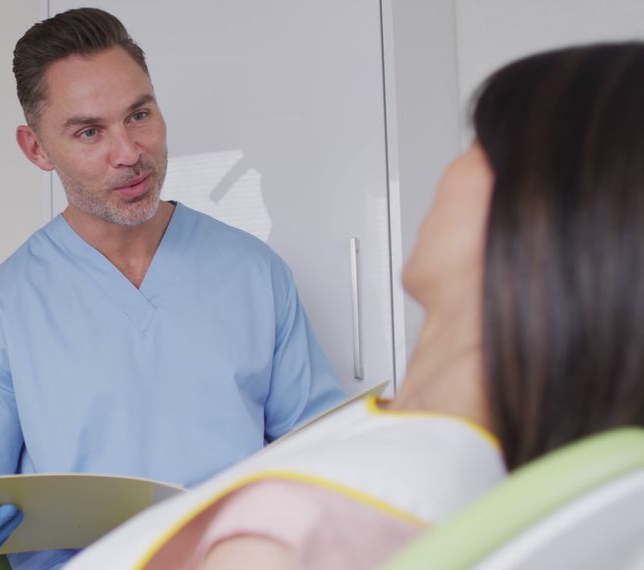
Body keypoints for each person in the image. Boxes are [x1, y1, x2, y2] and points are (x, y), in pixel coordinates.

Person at [67, 41, 644, 570]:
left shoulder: (302, 522)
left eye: (478, 147)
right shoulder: (437, 461)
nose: (450, 167)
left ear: (536, 218)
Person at [0, 7, 346, 569]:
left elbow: (325, 451)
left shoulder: (254, 272)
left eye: (139, 115)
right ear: (36, 149)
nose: (129, 152)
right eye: (89, 131)